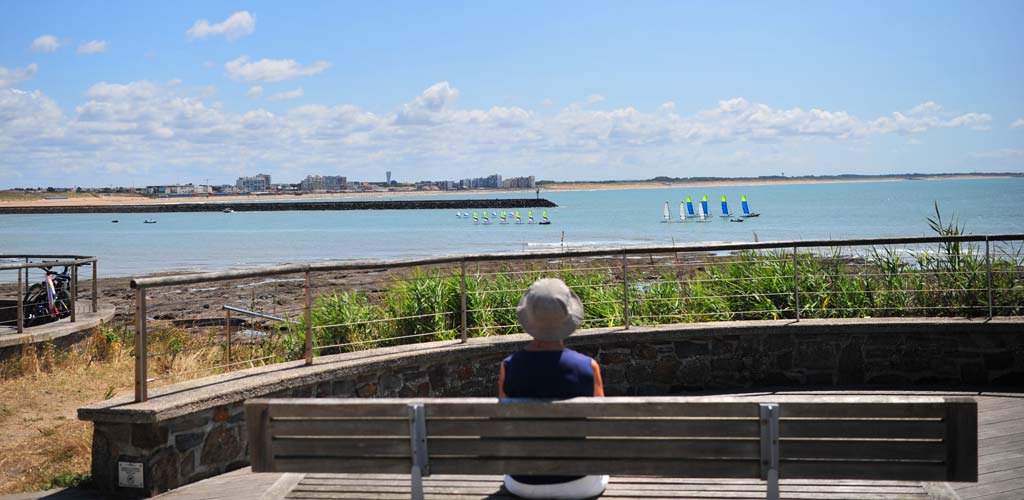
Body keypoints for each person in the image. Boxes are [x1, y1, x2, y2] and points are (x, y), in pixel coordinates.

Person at [498, 278, 609, 500]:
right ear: (568, 318)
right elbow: (600, 426)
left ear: (528, 319)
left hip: (523, 482)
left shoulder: (509, 367)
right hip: (579, 482)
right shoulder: (588, 367)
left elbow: (505, 423)